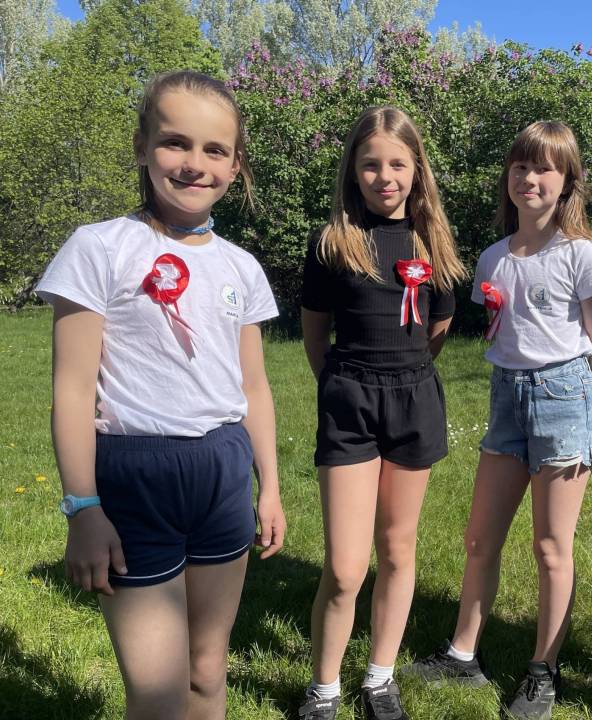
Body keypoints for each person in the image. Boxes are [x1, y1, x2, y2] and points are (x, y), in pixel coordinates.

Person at [35, 70, 286, 720]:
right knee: (157, 694)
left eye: (214, 149)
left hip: (222, 473)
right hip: (134, 479)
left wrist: (270, 488)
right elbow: (72, 390)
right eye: (176, 142)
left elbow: (253, 387)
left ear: (235, 164)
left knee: (206, 672)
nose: (194, 163)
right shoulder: (99, 248)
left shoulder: (241, 267)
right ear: (143, 146)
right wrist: (83, 508)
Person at [403, 120, 592, 720]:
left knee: (551, 546)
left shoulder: (582, 255)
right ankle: (462, 655)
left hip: (564, 398)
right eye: (520, 166)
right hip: (507, 401)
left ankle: (543, 671)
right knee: (479, 539)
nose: (529, 178)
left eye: (544, 168)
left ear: (567, 181)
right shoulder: (493, 258)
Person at [298, 106, 466, 720]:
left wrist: (404, 375)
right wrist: (345, 385)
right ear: (353, 170)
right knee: (346, 569)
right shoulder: (332, 242)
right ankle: (323, 689)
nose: (384, 177)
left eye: (398, 164)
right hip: (350, 404)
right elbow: (314, 333)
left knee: (397, 550)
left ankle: (379, 677)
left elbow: (438, 327)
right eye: (370, 164)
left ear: (417, 169)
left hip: (414, 402)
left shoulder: (432, 242)